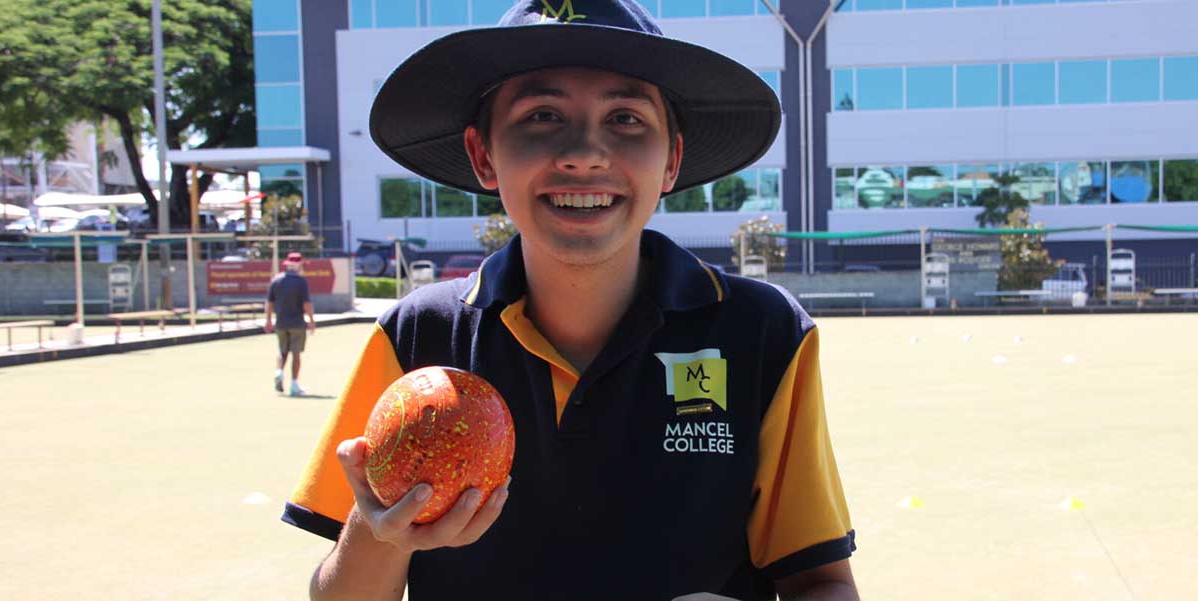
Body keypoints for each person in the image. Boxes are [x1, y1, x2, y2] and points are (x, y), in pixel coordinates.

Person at [283, 1, 857, 598]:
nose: (584, 152)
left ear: (672, 160)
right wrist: (379, 533)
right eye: (543, 114)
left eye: (626, 118)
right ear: (483, 156)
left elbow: (822, 581)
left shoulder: (761, 332)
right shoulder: (417, 337)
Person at [265, 251, 316, 397]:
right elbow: (306, 303)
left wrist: (268, 319)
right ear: (299, 265)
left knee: (282, 351)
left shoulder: (276, 280)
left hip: (280, 322)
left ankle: (279, 372)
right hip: (297, 323)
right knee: (296, 353)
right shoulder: (301, 282)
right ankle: (294, 384)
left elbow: (269, 302)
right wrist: (311, 321)